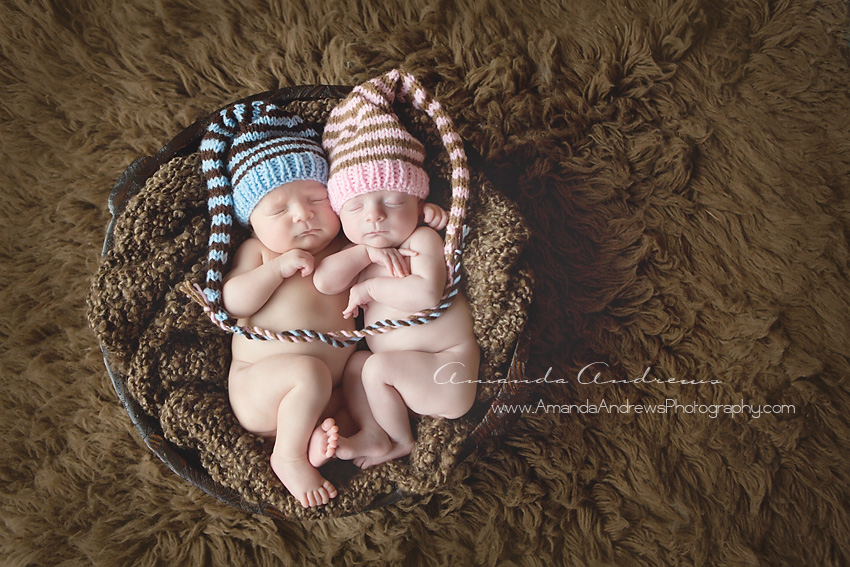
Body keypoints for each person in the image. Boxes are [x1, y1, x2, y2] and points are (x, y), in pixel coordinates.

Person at [314, 73, 479, 469]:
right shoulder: (357, 253)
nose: (374, 217)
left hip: (446, 368)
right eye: (355, 207)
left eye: (391, 201)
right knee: (358, 366)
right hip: (400, 379)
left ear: (418, 202)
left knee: (378, 367)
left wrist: (370, 292)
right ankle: (375, 431)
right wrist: (364, 254)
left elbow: (425, 295)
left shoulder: (420, 241)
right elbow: (323, 281)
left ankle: (399, 442)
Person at [200, 102, 350, 508]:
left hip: (324, 393)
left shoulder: (347, 246)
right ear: (251, 220)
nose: (303, 215)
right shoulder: (258, 251)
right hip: (258, 387)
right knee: (308, 371)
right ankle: (286, 457)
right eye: (280, 209)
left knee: (357, 383)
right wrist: (276, 270)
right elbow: (230, 301)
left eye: (316, 199)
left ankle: (312, 443)